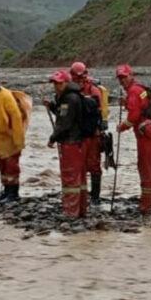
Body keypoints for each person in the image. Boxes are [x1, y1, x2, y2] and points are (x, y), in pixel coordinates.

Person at [115, 64, 151, 215]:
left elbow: (134, 116)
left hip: (145, 135)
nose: (122, 80)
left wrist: (122, 127)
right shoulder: (140, 89)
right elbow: (142, 105)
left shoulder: (133, 91)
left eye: (124, 77)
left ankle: (146, 208)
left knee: (146, 169)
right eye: (120, 78)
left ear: (131, 75)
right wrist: (127, 103)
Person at [44, 70, 89, 218]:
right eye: (55, 83)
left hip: (70, 143)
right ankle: (81, 209)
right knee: (80, 177)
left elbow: (64, 123)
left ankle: (70, 212)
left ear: (67, 82)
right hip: (79, 142)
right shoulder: (74, 96)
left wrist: (52, 138)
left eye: (59, 83)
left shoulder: (68, 99)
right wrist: (52, 106)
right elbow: (66, 116)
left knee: (70, 178)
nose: (56, 86)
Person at [70, 61, 108, 203]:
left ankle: (95, 197)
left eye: (81, 77)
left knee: (93, 165)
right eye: (76, 77)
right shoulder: (71, 90)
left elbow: (97, 112)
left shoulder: (93, 90)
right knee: (79, 165)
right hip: (78, 134)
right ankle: (82, 195)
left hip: (92, 134)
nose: (79, 80)